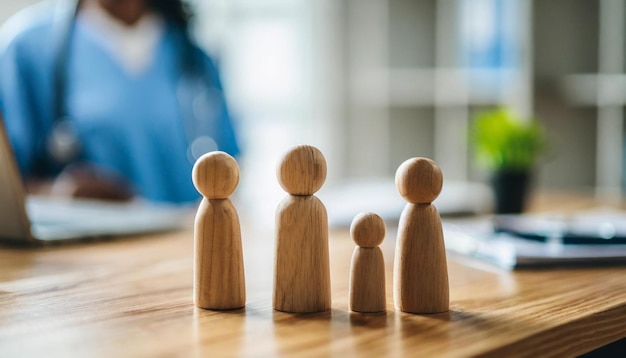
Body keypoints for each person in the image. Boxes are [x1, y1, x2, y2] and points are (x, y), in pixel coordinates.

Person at [0, 0, 240, 204]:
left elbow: (227, 175)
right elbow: (9, 190)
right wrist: (57, 194)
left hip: (183, 252)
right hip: (85, 253)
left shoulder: (194, 59)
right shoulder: (26, 51)